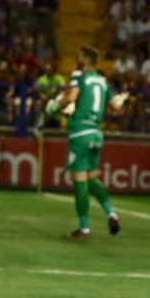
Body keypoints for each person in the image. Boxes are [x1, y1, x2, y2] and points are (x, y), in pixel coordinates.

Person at [48, 47, 122, 239]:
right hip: (97, 133)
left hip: (80, 132)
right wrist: (121, 100)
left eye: (80, 55)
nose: (77, 57)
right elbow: (116, 106)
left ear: (85, 60)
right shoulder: (103, 81)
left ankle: (84, 228)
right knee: (91, 177)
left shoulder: (79, 76)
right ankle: (111, 213)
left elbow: (72, 97)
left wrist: (54, 106)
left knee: (79, 180)